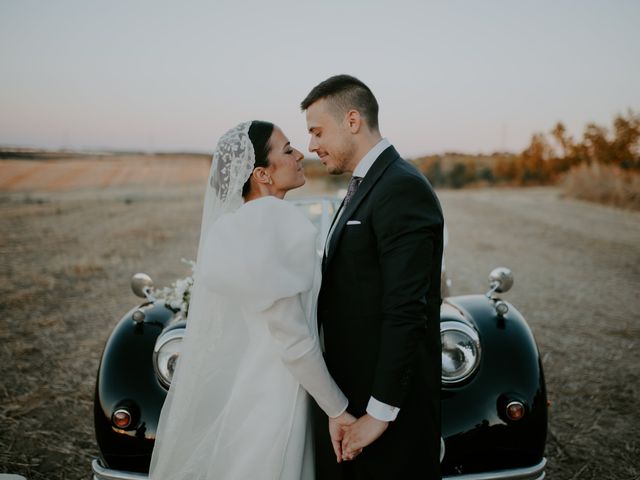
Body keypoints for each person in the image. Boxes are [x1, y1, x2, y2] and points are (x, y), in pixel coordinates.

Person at [148, 120, 355, 480]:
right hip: (282, 393)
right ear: (262, 173)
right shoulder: (274, 221)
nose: (299, 154)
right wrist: (337, 408)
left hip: (252, 381)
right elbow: (292, 337)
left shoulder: (233, 226)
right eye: (288, 150)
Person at [302, 75, 444, 479]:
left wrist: (378, 415)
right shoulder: (364, 185)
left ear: (352, 121)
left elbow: (406, 309)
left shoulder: (401, 188)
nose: (311, 145)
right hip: (353, 403)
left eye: (316, 131)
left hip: (388, 419)